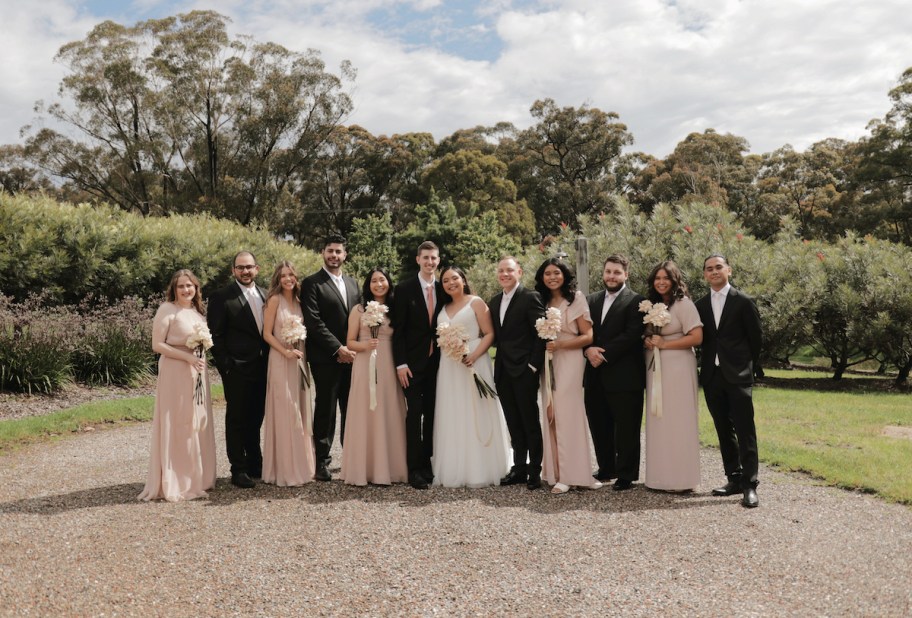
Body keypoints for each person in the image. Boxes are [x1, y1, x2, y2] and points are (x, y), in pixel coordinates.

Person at [139, 269, 216, 501]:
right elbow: (157, 345)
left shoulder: (196, 311)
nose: (186, 290)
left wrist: (198, 356)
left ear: (196, 288)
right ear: (174, 289)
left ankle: (197, 477)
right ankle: (177, 479)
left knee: (196, 422)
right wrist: (187, 358)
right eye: (181, 286)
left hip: (197, 371)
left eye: (190, 285)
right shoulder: (167, 309)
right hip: (175, 370)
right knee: (179, 422)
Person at [695, 254, 763, 508]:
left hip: (738, 376)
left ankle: (750, 485)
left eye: (718, 267)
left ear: (729, 270)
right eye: (709, 269)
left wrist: (746, 368)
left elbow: (756, 340)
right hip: (712, 378)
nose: (714, 272)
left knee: (746, 430)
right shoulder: (699, 304)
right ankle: (733, 478)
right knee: (724, 430)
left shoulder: (744, 301)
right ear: (704, 275)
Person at [433, 266, 510, 487]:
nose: (450, 283)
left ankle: (481, 466)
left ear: (463, 279)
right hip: (449, 365)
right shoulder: (443, 307)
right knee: (454, 411)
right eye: (446, 280)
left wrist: (474, 355)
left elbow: (490, 333)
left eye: (454, 278)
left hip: (474, 360)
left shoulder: (476, 302)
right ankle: (455, 464)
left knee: (477, 408)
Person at [533, 258, 601, 494]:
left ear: (564, 275)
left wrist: (561, 346)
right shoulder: (540, 300)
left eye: (557, 273)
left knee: (567, 414)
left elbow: (588, 335)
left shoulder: (576, 298)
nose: (552, 277)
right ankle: (555, 472)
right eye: (547, 273)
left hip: (569, 359)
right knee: (550, 412)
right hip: (548, 361)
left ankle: (574, 473)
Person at [583, 254, 646, 491]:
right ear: (603, 273)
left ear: (626, 275)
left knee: (627, 427)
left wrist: (603, 354)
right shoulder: (590, 300)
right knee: (599, 424)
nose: (612, 276)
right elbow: (583, 331)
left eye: (617, 272)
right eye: (608, 271)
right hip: (594, 374)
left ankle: (626, 473)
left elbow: (631, 335)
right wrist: (588, 350)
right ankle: (606, 467)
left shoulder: (637, 301)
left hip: (624, 374)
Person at [340, 268, 409, 486]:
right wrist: (365, 345)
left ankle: (392, 468)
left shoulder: (395, 309)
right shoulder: (358, 310)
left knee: (389, 411)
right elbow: (349, 342)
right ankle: (365, 469)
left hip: (389, 364)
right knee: (366, 412)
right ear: (368, 285)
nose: (379, 284)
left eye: (382, 280)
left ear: (389, 282)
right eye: (374, 281)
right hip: (364, 363)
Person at [301, 234, 361, 482]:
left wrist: (354, 348)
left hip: (354, 357)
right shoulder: (312, 283)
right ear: (323, 253)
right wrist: (338, 348)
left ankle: (351, 457)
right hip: (326, 357)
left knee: (352, 408)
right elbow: (313, 321)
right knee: (326, 408)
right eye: (330, 251)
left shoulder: (353, 283)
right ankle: (322, 462)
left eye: (338, 251)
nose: (334, 255)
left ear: (345, 255)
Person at [208, 251, 269, 488]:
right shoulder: (221, 297)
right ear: (233, 270)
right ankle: (238, 468)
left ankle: (255, 463)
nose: (245, 271)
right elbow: (216, 335)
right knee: (236, 419)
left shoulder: (266, 295)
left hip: (263, 367)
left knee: (256, 418)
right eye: (240, 267)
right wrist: (226, 367)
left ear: (257, 269)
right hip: (237, 369)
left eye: (249, 267)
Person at [642, 261, 703, 492]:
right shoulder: (653, 305)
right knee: (659, 419)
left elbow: (697, 337)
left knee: (678, 419)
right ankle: (660, 476)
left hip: (678, 367)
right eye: (657, 278)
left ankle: (682, 479)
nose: (661, 282)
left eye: (665, 278)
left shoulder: (683, 304)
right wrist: (647, 340)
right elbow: (648, 333)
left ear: (674, 279)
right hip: (655, 367)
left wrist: (666, 344)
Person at [489, 256, 546, 490]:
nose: (505, 274)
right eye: (501, 271)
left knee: (529, 421)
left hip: (524, 370)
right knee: (513, 421)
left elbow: (541, 334)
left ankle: (535, 470)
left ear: (519, 272)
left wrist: (533, 366)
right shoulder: (493, 301)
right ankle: (519, 468)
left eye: (509, 270)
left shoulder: (530, 297)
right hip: (503, 370)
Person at [392, 241, 444, 490]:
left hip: (438, 364)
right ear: (418, 260)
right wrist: (400, 363)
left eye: (433, 258)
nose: (430, 262)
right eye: (425, 258)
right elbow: (398, 332)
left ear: (438, 260)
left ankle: (429, 463)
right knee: (414, 414)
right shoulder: (403, 290)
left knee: (434, 414)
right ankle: (414, 469)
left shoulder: (444, 288)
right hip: (411, 365)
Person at [261, 261, 315, 487]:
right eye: (283, 275)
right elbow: (266, 333)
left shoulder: (301, 302)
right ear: (277, 278)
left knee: (300, 410)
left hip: (299, 360)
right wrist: (285, 351)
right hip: (281, 359)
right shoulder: (274, 300)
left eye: (291, 274)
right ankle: (283, 468)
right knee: (285, 410)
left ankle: (301, 465)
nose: (287, 279)